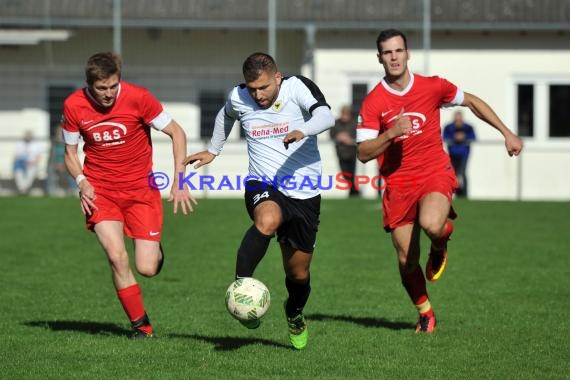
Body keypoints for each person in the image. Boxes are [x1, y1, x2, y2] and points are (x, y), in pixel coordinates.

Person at [356, 29, 522, 333]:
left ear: (408, 54)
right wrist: (391, 133)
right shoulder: (373, 102)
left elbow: (471, 101)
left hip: (434, 170)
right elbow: (363, 153)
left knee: (432, 224)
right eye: (387, 52)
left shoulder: (432, 86)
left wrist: (507, 133)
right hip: (398, 184)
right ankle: (426, 312)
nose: (394, 57)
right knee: (407, 259)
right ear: (379, 57)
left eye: (398, 51)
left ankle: (440, 242)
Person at [185, 52, 334, 350]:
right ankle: (241, 290)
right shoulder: (239, 97)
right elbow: (225, 115)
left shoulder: (298, 87)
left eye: (264, 87)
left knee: (298, 273)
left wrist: (301, 130)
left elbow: (326, 116)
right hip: (262, 183)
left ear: (277, 78)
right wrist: (214, 150)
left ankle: (294, 313)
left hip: (304, 191)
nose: (258, 95)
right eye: (253, 89)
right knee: (267, 220)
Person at [62, 52, 196, 339]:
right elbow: (70, 153)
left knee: (146, 268)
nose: (109, 94)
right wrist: (81, 181)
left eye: (113, 86)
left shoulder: (139, 98)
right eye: (101, 89)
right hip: (100, 192)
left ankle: (155, 250)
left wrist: (180, 180)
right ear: (89, 85)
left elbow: (177, 132)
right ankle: (141, 325)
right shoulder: (74, 105)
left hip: (140, 192)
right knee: (116, 257)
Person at [443, 111, 476, 197]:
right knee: (453, 174)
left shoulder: (468, 127)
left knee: (462, 173)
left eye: (459, 119)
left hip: (464, 154)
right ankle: (454, 192)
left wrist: (464, 137)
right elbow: (444, 137)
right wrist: (454, 138)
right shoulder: (448, 127)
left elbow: (473, 137)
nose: (458, 121)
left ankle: (464, 194)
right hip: (452, 154)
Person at [330, 105, 360, 197]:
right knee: (345, 173)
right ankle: (354, 191)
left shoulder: (354, 123)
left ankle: (353, 191)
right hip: (341, 152)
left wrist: (349, 139)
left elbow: (358, 136)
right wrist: (338, 137)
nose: (344, 116)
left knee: (351, 173)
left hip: (352, 152)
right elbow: (332, 135)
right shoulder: (336, 123)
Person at [13, 130, 42, 195]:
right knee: (18, 173)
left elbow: (39, 156)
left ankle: (24, 189)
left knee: (31, 173)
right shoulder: (19, 143)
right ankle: (22, 189)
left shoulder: (36, 144)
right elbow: (16, 156)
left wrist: (32, 162)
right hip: (20, 163)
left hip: (31, 164)